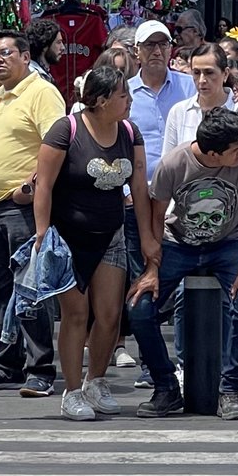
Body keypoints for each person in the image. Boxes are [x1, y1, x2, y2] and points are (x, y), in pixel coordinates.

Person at [129, 108, 238, 420]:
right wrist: (152, 270)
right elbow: (156, 215)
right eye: (233, 150)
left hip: (228, 243)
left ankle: (230, 390)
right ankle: (166, 386)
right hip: (178, 243)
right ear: (212, 153)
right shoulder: (175, 163)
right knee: (139, 308)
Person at [33, 67, 155, 421]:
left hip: (111, 235)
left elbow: (140, 190)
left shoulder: (129, 133)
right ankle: (70, 392)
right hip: (68, 239)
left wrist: (147, 236)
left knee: (110, 315)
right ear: (101, 101)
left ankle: (95, 382)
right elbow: (43, 185)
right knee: (76, 315)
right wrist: (43, 232)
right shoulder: (66, 130)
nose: (129, 101)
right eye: (122, 96)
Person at [0, 31, 67, 396]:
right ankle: (6, 361)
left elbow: (57, 146)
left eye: (6, 53)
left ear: (26, 56)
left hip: (20, 209)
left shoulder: (40, 91)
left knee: (31, 290)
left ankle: (40, 367)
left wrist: (30, 189)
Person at [126, 21, 197, 387]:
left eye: (163, 43)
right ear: (136, 51)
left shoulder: (189, 87)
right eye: (149, 44)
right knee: (145, 282)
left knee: (184, 285)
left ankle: (185, 360)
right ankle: (149, 364)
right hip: (140, 200)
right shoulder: (125, 93)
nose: (157, 50)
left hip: (185, 200)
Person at [26, 18, 65, 83]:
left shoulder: (42, 74)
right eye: (58, 42)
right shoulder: (32, 76)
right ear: (45, 45)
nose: (63, 48)